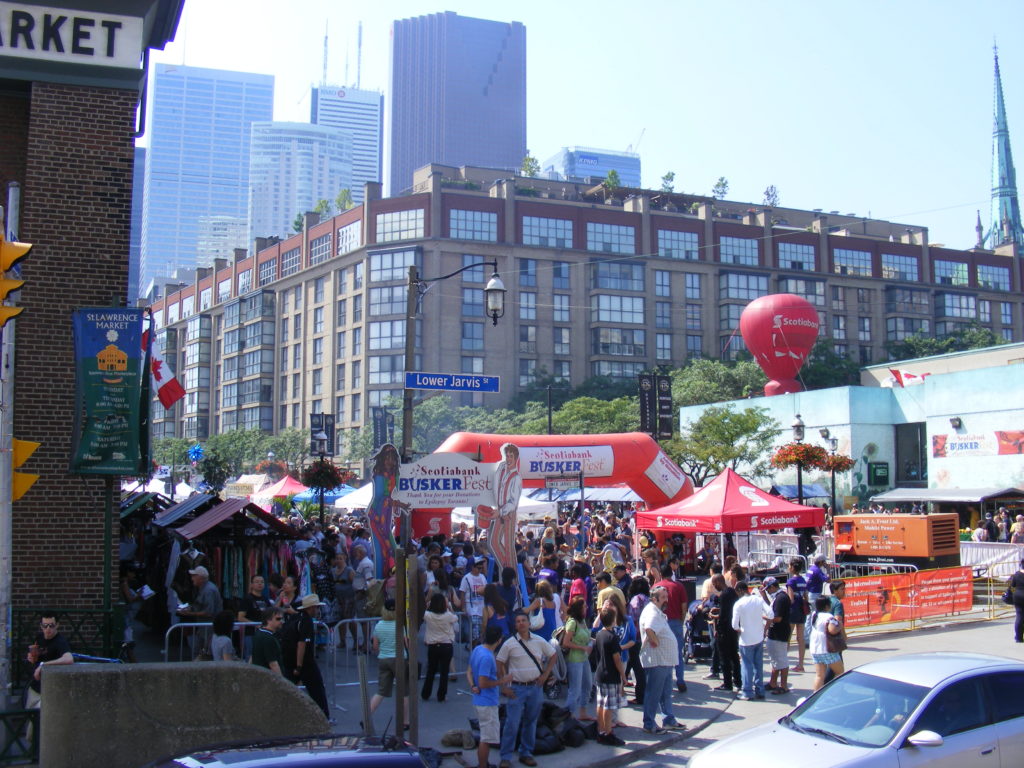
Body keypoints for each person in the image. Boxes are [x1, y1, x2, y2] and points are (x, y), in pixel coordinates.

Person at [495, 612, 556, 768]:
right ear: (515, 625)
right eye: (518, 621)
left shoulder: (539, 641)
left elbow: (553, 655)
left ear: (529, 623)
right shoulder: (509, 643)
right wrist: (504, 686)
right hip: (517, 688)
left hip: (535, 687)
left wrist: (546, 675)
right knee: (512, 723)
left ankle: (526, 753)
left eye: (523, 620)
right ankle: (506, 756)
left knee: (531, 722)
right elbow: (499, 662)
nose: (521, 623)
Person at [466, 625, 512, 768]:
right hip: (487, 702)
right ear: (499, 640)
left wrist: (473, 685)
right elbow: (484, 682)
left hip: (480, 700)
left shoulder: (477, 650)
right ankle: (482, 765)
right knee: (486, 739)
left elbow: (469, 671)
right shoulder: (487, 657)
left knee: (485, 736)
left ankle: (484, 763)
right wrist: (502, 681)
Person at [639, 585, 682, 734]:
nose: (666, 600)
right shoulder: (652, 612)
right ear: (654, 599)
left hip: (664, 660)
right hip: (657, 659)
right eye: (663, 597)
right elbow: (649, 629)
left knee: (665, 692)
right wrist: (655, 641)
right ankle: (649, 723)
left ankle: (668, 719)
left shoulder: (657, 611)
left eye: (666, 596)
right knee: (654, 693)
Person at [281, 594, 331, 718]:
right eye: (317, 607)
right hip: (304, 662)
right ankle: (324, 717)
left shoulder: (295, 618)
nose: (318, 610)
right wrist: (299, 665)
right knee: (317, 690)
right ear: (312, 608)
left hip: (289, 660)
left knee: (287, 690)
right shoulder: (306, 621)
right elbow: (302, 643)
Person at [476, 443, 522, 573]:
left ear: (516, 458)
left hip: (508, 513)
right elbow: (496, 488)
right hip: (499, 510)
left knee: (509, 546)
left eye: (511, 456)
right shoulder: (501, 470)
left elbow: (514, 502)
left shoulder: (516, 478)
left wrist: (501, 511)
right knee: (493, 543)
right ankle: (507, 569)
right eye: (507, 456)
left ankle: (511, 575)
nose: (508, 459)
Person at [25, 613, 73, 730]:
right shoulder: (39, 637)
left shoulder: (60, 642)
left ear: (57, 625)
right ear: (41, 626)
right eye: (45, 626)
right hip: (35, 687)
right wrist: (30, 657)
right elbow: (33, 655)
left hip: (49, 690)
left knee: (40, 725)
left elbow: (69, 658)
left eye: (51, 626)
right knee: (30, 727)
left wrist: (43, 665)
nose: (48, 629)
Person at [366, 443, 405, 579]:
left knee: (389, 548)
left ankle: (389, 578)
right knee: (382, 550)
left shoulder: (395, 474)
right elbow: (379, 496)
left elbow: (400, 490)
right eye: (387, 458)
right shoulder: (379, 475)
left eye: (392, 458)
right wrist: (395, 502)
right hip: (377, 514)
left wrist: (398, 504)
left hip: (387, 514)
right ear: (382, 459)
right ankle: (381, 580)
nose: (390, 461)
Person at [369, 599, 409, 728]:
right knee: (404, 692)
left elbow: (375, 646)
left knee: (381, 691)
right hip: (399, 658)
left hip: (384, 659)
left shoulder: (379, 625)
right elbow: (406, 643)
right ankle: (405, 721)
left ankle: (367, 717)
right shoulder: (400, 625)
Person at [731, 580, 773, 701]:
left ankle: (747, 692)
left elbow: (734, 625)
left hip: (746, 639)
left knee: (746, 665)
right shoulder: (758, 600)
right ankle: (760, 690)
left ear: (739, 590)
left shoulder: (738, 604)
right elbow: (770, 613)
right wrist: (764, 627)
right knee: (758, 665)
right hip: (758, 637)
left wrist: (740, 629)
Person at [593, 607, 627, 746]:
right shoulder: (612, 637)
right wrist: (623, 676)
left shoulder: (600, 634)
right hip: (610, 675)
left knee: (600, 703)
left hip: (600, 673)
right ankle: (608, 733)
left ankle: (600, 731)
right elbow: (617, 659)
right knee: (609, 705)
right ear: (613, 619)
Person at [652, 571, 688, 692]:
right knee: (677, 653)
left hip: (661, 622)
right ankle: (680, 680)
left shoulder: (656, 587)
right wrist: (682, 620)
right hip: (676, 621)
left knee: (661, 652)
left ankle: (665, 681)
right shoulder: (678, 586)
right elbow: (684, 605)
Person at [562, 597, 595, 723]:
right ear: (578, 609)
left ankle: (583, 712)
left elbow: (586, 636)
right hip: (574, 659)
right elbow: (566, 642)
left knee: (587, 685)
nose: (586, 608)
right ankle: (566, 715)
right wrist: (582, 647)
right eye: (584, 607)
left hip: (584, 658)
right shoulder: (572, 622)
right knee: (575, 690)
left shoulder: (582, 621)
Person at [422, 593, 459, 702]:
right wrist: (450, 607)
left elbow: (423, 612)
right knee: (444, 672)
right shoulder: (448, 616)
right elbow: (455, 617)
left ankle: (426, 693)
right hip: (446, 645)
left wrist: (427, 605)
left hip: (433, 645)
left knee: (431, 670)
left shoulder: (428, 615)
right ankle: (441, 695)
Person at [709, 570, 742, 693]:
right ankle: (738, 681)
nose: (714, 586)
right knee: (734, 656)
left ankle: (727, 683)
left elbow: (723, 616)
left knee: (724, 658)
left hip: (724, 631)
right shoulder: (732, 592)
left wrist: (715, 619)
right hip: (733, 630)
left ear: (718, 581)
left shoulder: (723, 595)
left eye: (714, 583)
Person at [762, 577, 792, 694]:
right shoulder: (778, 597)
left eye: (768, 589)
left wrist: (763, 617)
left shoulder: (781, 598)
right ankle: (773, 682)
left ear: (773, 586)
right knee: (775, 659)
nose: (768, 592)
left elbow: (777, 618)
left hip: (780, 633)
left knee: (781, 660)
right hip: (775, 633)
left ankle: (783, 686)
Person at [809, 595, 844, 691]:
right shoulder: (829, 616)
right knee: (840, 672)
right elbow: (832, 630)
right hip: (826, 648)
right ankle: (836, 693)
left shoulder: (814, 615)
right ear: (827, 606)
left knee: (820, 675)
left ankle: (815, 696)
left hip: (815, 648)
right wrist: (840, 626)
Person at [626, 577, 650, 706]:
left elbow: (632, 619)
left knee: (636, 667)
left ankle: (639, 696)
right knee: (638, 667)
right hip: (646, 637)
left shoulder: (635, 600)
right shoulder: (648, 600)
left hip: (635, 638)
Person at [237, 574, 270, 660]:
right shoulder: (247, 599)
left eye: (262, 582)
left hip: (263, 633)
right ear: (251, 584)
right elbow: (240, 617)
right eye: (257, 582)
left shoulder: (265, 599)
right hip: (250, 633)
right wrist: (255, 624)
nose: (260, 584)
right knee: (250, 655)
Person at [785, 558, 809, 672]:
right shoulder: (803, 580)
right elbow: (806, 596)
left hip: (793, 610)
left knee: (787, 637)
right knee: (801, 638)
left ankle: (784, 662)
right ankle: (801, 664)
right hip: (802, 610)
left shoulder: (790, 582)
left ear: (792, 567)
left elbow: (791, 599)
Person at [459, 556, 488, 647]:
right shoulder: (466, 578)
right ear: (472, 567)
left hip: (482, 608)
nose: (480, 570)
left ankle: (472, 647)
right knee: (475, 632)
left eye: (481, 568)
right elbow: (462, 593)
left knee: (481, 632)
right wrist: (463, 607)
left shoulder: (483, 577)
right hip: (471, 609)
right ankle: (472, 647)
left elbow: (486, 590)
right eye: (478, 568)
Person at [804, 555, 829, 645]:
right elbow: (828, 580)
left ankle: (807, 638)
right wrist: (828, 570)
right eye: (824, 562)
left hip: (809, 593)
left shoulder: (811, 568)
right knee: (815, 616)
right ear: (821, 562)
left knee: (809, 617)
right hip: (814, 595)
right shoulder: (817, 570)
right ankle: (811, 639)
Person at [251, 607, 284, 674]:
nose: (281, 621)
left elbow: (252, 657)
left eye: (282, 619)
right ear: (268, 620)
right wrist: (281, 682)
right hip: (268, 679)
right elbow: (273, 664)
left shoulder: (258, 633)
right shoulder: (268, 638)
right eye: (278, 619)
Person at [1008, 558, 1024, 643]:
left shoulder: (1017, 574)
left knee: (1019, 616)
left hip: (1018, 597)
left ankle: (1018, 637)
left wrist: (1015, 594)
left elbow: (1012, 587)